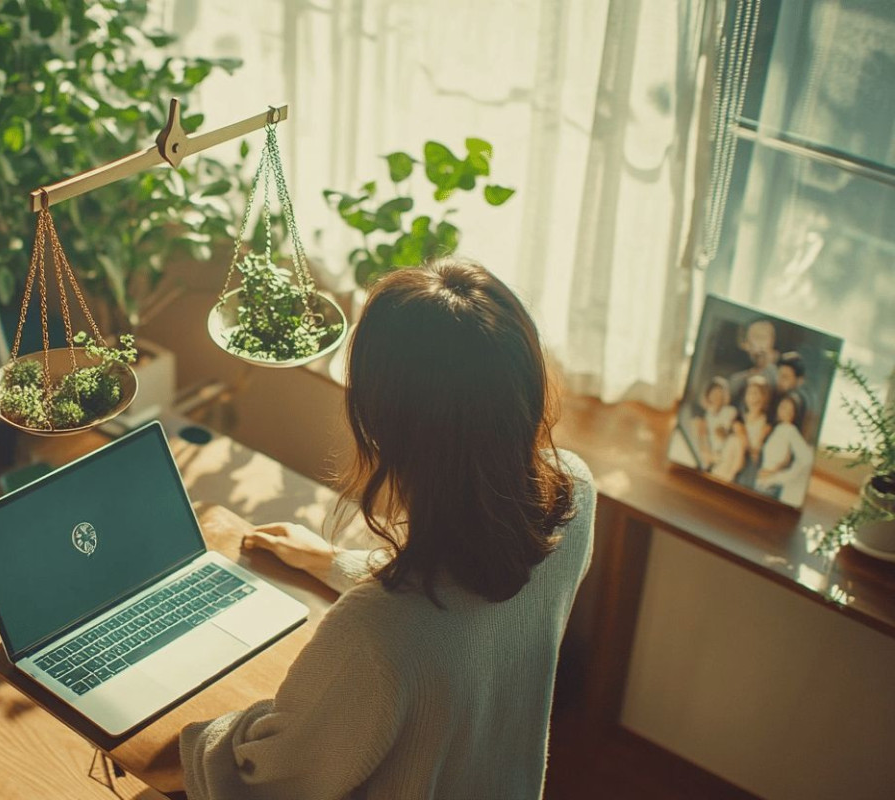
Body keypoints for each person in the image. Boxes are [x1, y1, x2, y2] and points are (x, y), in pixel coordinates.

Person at [181, 259, 596, 800]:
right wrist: (334, 562)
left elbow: (262, 783)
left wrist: (196, 733)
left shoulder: (377, 633)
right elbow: (462, 610)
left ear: (377, 421)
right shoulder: (574, 498)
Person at [758, 390, 814, 505]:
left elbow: (807, 458)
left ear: (795, 413)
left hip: (772, 486)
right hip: (762, 483)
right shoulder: (778, 428)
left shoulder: (790, 430)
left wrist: (779, 476)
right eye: (783, 407)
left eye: (790, 410)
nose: (786, 412)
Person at [727, 318, 780, 408]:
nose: (761, 343)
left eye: (766, 337)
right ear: (746, 344)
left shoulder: (780, 375)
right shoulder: (736, 380)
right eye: (757, 337)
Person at [692, 376, 737, 473]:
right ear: (708, 394)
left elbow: (723, 434)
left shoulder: (730, 411)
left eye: (720, 392)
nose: (716, 396)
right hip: (709, 451)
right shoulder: (705, 414)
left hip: (723, 452)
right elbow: (702, 436)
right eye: (714, 392)